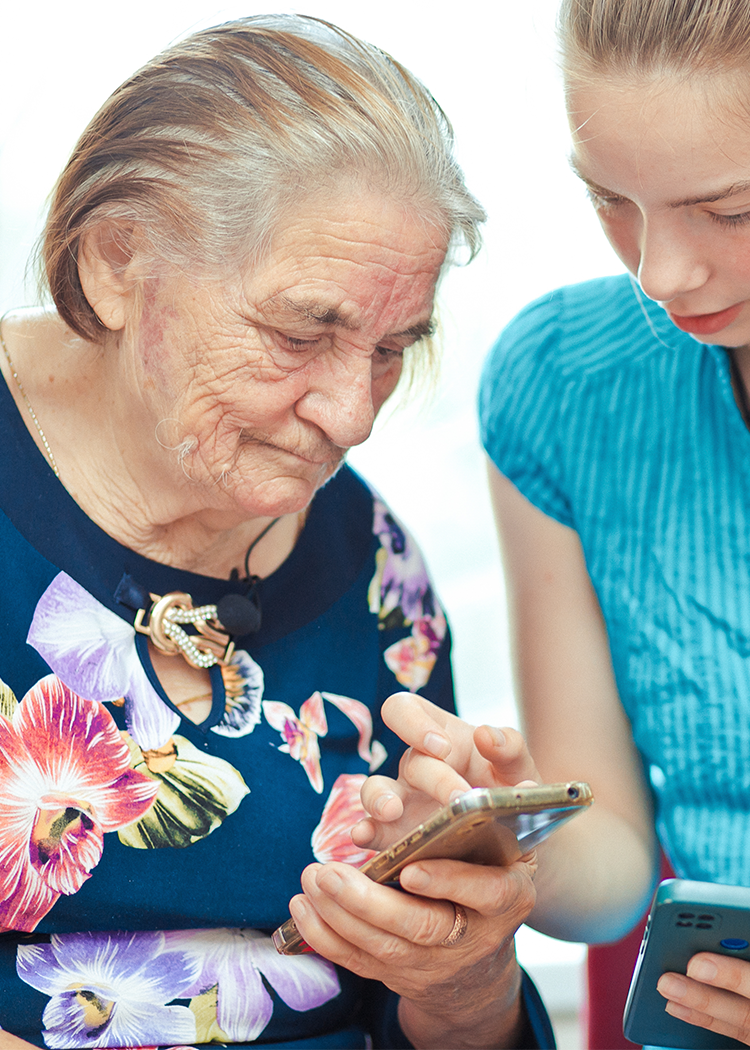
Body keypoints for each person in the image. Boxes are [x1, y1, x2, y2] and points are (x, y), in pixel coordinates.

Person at [0, 13, 558, 1050]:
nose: (352, 415)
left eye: (395, 348)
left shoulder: (377, 566)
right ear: (118, 261)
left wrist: (464, 976)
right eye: (301, 332)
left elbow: (461, 1029)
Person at [354, 0, 750, 1045]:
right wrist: (513, 842)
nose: (662, 273)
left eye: (733, 211)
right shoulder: (566, 384)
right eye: (609, 197)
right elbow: (614, 869)